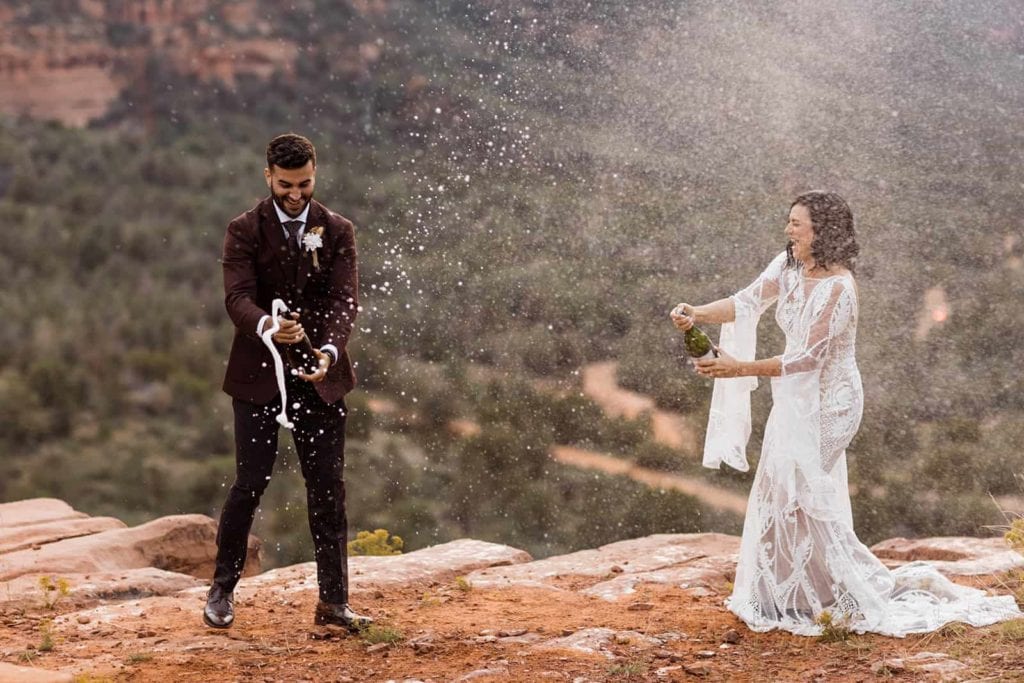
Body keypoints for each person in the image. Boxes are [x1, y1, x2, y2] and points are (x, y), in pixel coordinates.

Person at [670, 191, 1021, 636]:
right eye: (789, 222)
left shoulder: (840, 288)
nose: (788, 230)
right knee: (780, 487)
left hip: (831, 402)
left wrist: (737, 368)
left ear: (822, 232)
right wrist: (695, 312)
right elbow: (746, 302)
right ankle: (794, 594)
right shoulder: (789, 266)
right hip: (794, 397)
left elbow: (809, 358)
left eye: (796, 224)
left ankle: (827, 593)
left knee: (804, 492)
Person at [203, 133, 372, 632]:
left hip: (319, 377)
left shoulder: (337, 230)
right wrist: (268, 326)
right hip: (259, 376)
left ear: (315, 173)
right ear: (267, 176)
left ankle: (334, 603)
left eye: (305, 184)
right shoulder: (243, 230)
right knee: (250, 484)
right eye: (285, 185)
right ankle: (220, 591)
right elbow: (237, 298)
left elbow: (345, 301)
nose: (296, 195)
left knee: (327, 489)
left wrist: (330, 351)